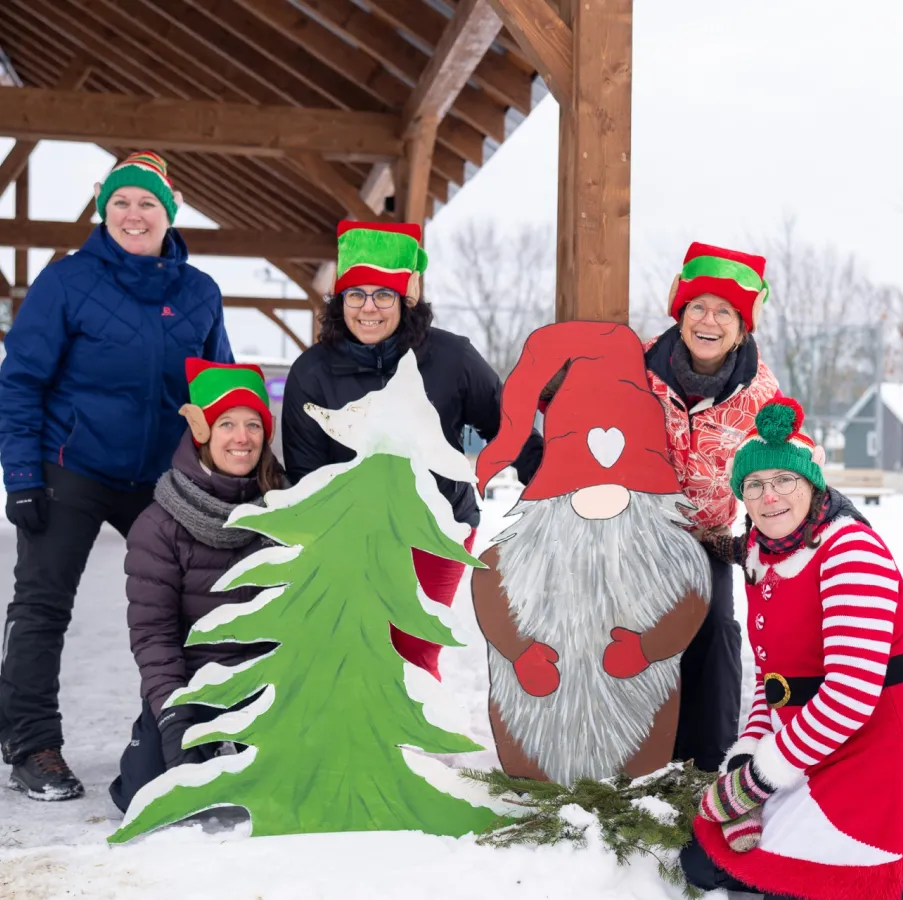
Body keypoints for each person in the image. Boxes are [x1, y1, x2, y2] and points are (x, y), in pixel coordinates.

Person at [684, 398, 903, 900]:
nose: (770, 496)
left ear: (813, 485)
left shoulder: (850, 551)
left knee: (822, 886)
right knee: (707, 863)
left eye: (785, 480)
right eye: (755, 485)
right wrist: (747, 756)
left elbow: (850, 696)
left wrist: (760, 779)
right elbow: (772, 684)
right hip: (808, 746)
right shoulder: (762, 555)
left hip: (883, 743)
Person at [0, 151, 234, 801]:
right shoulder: (67, 282)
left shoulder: (199, 293)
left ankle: (174, 728)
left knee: (192, 601)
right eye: (122, 203)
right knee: (43, 603)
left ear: (170, 210)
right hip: (71, 465)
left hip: (159, 475)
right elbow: (20, 380)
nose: (134, 215)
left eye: (148, 204)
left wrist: (228, 473)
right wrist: (21, 472)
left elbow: (220, 392)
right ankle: (31, 740)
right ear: (106, 209)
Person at [281, 220, 541, 680]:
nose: (369, 308)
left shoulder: (452, 358)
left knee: (413, 652)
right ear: (340, 301)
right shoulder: (312, 371)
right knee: (354, 650)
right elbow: (305, 474)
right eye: (356, 294)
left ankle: (412, 749)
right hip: (351, 533)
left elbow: (510, 432)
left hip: (437, 529)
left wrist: (558, 487)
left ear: (407, 299)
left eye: (384, 295)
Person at [110, 360, 286, 813]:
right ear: (203, 430)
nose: (242, 438)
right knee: (145, 794)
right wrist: (172, 716)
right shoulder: (159, 524)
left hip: (266, 682)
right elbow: (153, 633)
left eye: (253, 424)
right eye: (227, 423)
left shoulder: (289, 510)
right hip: (192, 685)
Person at [641, 241, 787, 773]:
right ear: (680, 314)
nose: (710, 320)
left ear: (742, 328)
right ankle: (634, 750)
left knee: (717, 627)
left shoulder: (760, 395)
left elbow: (778, 471)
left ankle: (709, 762)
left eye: (725, 311)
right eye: (699, 306)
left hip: (705, 538)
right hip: (632, 531)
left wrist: (758, 539)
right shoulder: (638, 365)